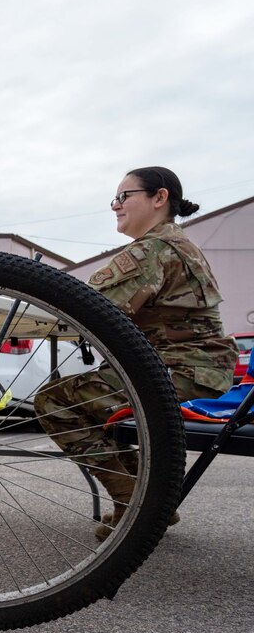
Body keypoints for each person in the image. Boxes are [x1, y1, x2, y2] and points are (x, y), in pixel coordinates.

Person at [36, 166, 237, 540]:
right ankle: (150, 501)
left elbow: (86, 305)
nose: (115, 206)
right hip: (195, 369)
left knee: (55, 402)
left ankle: (137, 507)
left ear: (159, 198)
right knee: (83, 401)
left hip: (182, 372)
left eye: (123, 196)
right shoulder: (172, 244)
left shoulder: (155, 249)